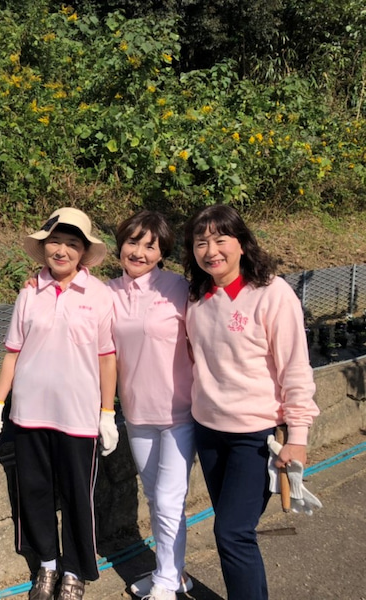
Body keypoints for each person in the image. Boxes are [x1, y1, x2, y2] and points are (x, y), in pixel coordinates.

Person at [182, 204, 319, 600]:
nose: (211, 250)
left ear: (241, 243)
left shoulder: (272, 294)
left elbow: (296, 368)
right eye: (200, 242)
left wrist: (298, 436)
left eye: (220, 239)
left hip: (255, 437)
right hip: (208, 432)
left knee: (231, 532)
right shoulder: (197, 296)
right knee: (234, 533)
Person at [0, 207, 118, 600]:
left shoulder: (100, 295)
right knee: (35, 490)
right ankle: (47, 564)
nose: (61, 250)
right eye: (54, 242)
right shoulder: (29, 292)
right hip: (30, 412)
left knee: (79, 494)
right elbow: (12, 352)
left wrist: (106, 413)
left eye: (72, 244)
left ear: (84, 252)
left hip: (77, 415)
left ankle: (74, 571)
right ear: (43, 249)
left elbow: (107, 357)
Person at [106, 211, 195, 600]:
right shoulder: (106, 292)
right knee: (155, 497)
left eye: (150, 245)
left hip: (181, 413)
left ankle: (164, 583)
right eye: (132, 241)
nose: (139, 251)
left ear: (162, 252)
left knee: (170, 499)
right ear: (120, 244)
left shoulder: (180, 288)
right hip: (137, 412)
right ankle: (172, 573)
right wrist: (36, 281)